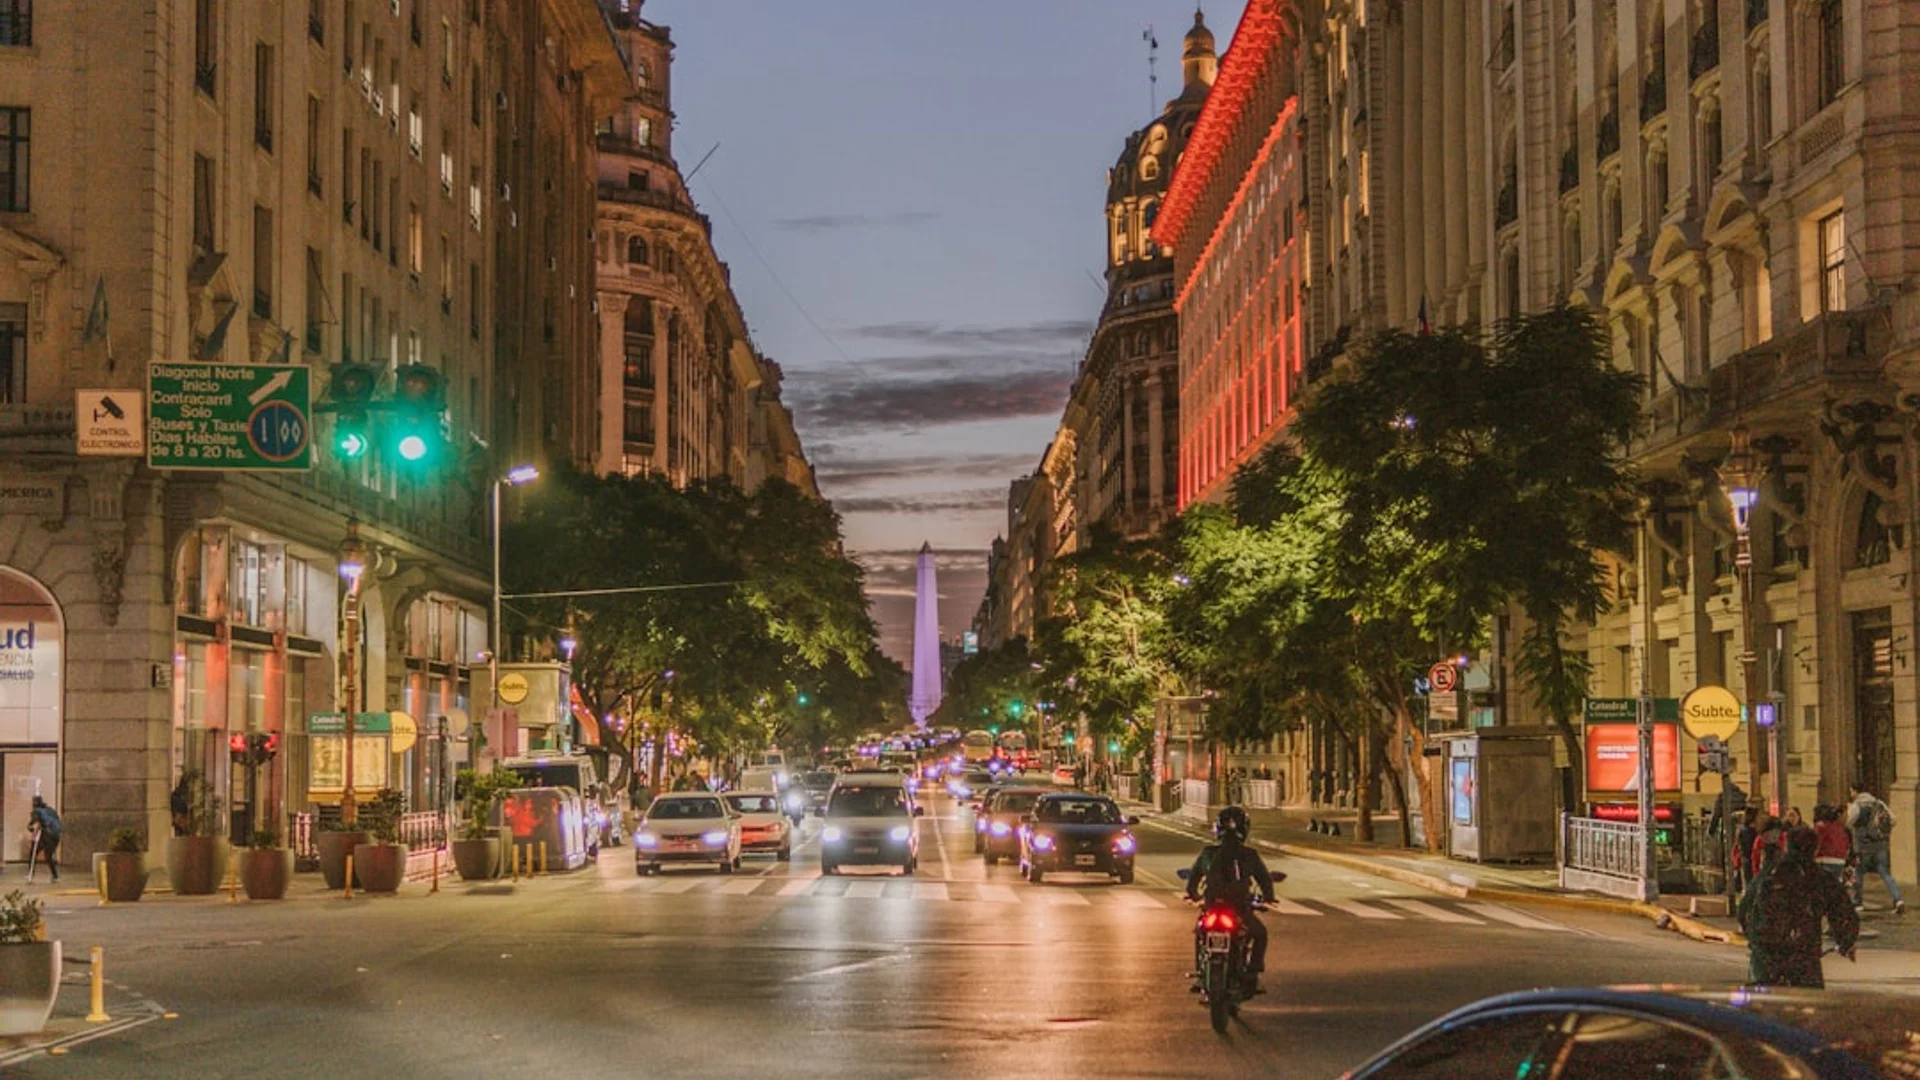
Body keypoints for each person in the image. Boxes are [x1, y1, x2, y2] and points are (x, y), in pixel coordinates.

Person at [1738, 826, 1859, 988]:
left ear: (1787, 845)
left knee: (1761, 1001)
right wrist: (1846, 942)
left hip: (1767, 951)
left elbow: (1745, 908)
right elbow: (1842, 911)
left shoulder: (1771, 873)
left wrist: (1753, 938)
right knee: (1810, 1000)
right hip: (1804, 951)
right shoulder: (1819, 878)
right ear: (1815, 849)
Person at [1184, 805, 1281, 991]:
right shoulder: (1249, 855)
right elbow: (1264, 880)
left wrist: (1192, 893)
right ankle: (1252, 972)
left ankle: (1200, 973)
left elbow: (1194, 878)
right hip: (1239, 908)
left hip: (1212, 905)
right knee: (1260, 934)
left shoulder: (1208, 853)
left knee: (1200, 931)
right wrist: (1268, 897)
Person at [1846, 780, 1905, 914]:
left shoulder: (1856, 806)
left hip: (1863, 845)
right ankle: (1898, 899)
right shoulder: (1878, 803)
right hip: (1880, 844)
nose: (1850, 794)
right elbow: (1893, 819)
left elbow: (1848, 823)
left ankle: (1858, 902)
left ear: (1855, 791)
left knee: (1859, 872)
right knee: (1885, 872)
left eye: (1851, 791)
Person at [1813, 804, 1851, 886]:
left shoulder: (1822, 826)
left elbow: (1817, 842)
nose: (1847, 817)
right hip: (1839, 861)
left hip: (1825, 859)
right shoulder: (1841, 829)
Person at [27, 796, 60, 882]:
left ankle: (30, 874)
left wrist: (31, 828)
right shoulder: (50, 810)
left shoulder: (36, 812)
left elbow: (35, 825)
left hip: (44, 835)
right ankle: (55, 875)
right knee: (49, 856)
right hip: (55, 836)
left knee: (33, 854)